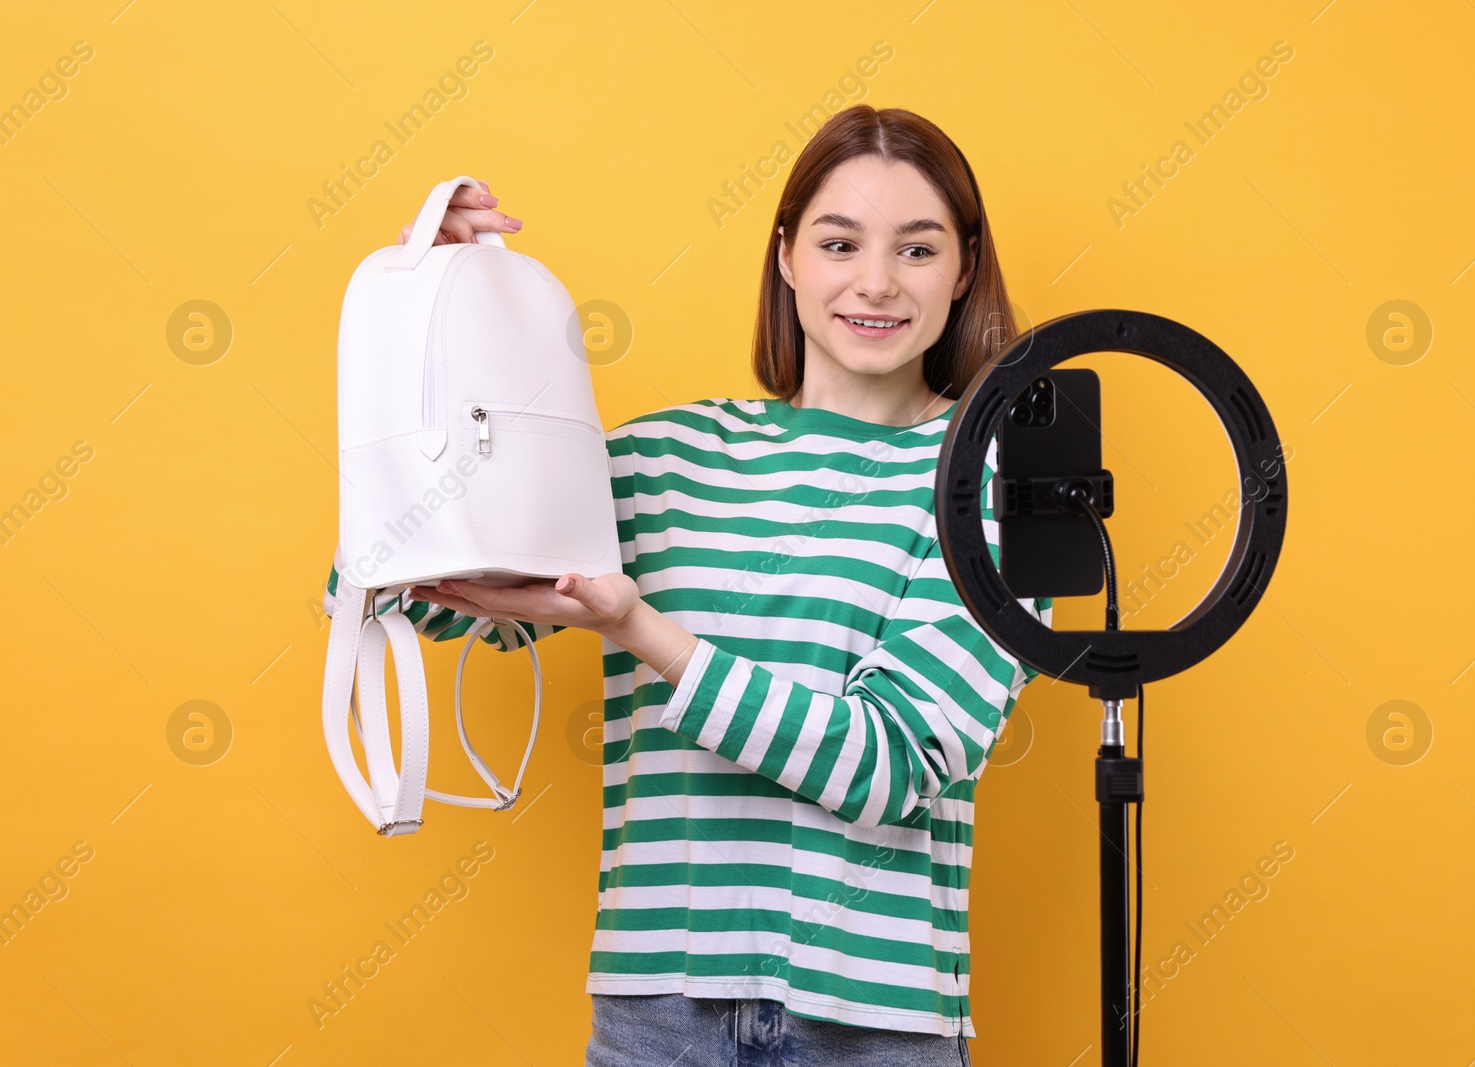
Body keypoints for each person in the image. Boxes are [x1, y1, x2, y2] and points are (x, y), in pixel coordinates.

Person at [325, 104, 1051, 1066]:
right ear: (787, 256)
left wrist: (641, 628)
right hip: (655, 1016)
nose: (875, 282)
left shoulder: (993, 488)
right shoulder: (661, 461)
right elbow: (389, 577)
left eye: (916, 250)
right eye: (840, 243)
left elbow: (890, 766)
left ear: (964, 268)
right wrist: (435, 307)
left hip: (877, 1028)